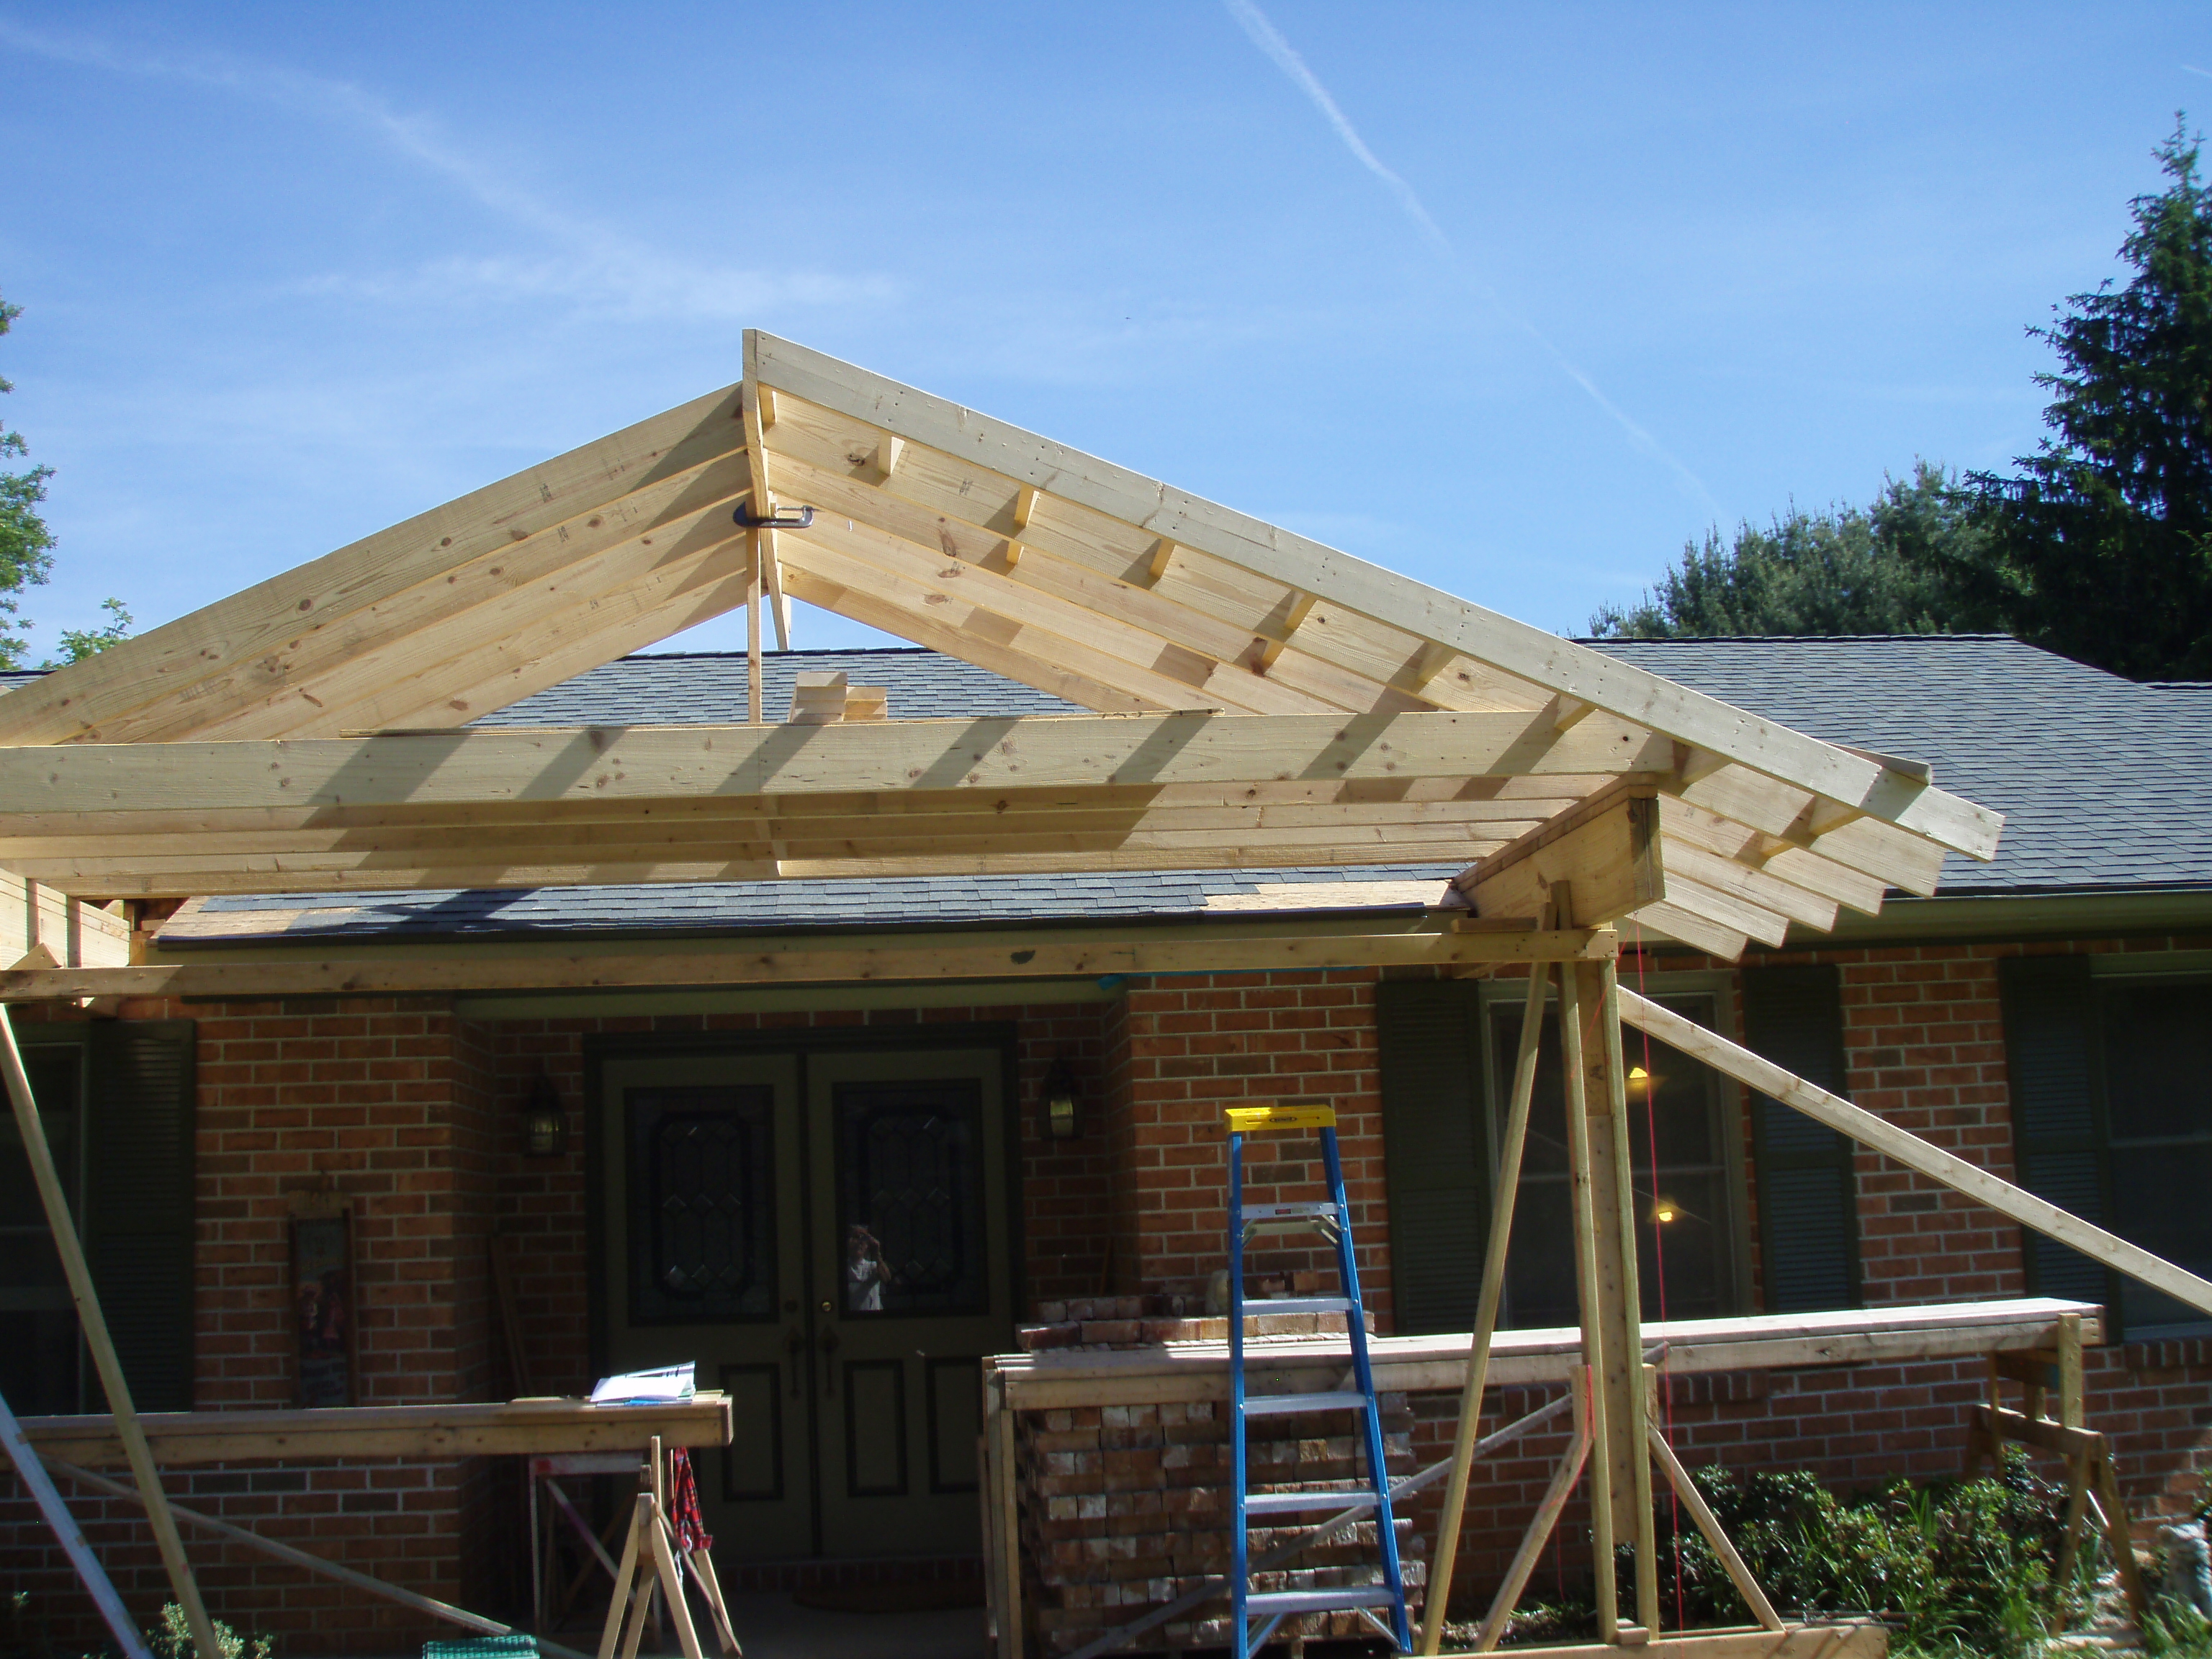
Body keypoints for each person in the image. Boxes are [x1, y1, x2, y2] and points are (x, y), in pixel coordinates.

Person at [845, 1224, 894, 1312]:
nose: (860, 1242)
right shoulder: (844, 1268)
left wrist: (877, 1254)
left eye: (863, 1239)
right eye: (856, 1238)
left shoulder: (872, 1267)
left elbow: (887, 1278)